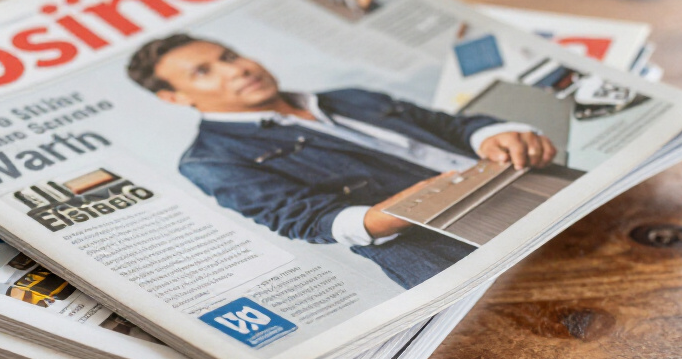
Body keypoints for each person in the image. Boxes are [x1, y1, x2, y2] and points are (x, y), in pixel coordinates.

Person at [126, 34, 557, 289]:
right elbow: (306, 221)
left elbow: (445, 125)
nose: (235, 70)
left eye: (230, 56)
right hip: (448, 251)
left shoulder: (350, 96)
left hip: (528, 192)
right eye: (203, 72)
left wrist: (491, 133)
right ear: (175, 98)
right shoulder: (210, 158)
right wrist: (393, 212)